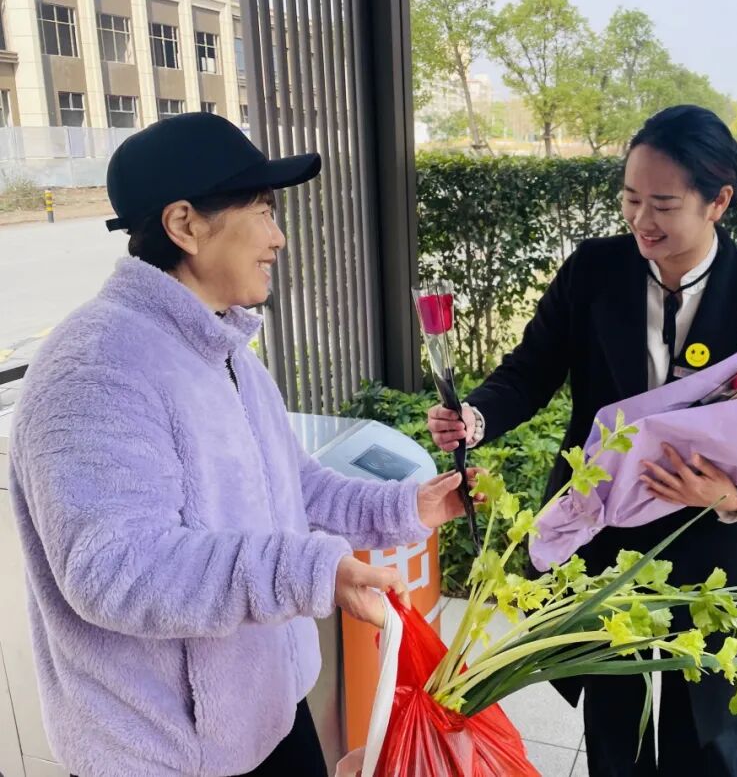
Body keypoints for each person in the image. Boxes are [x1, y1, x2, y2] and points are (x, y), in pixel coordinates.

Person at [9, 112, 475, 777]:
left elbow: (294, 486)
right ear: (184, 224)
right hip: (166, 755)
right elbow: (116, 569)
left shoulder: (222, 346)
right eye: (261, 210)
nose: (278, 237)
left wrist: (409, 507)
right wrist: (309, 571)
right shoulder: (95, 367)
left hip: (268, 716)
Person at [427, 105, 737, 776]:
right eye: (631, 198)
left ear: (718, 201)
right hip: (602, 537)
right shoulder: (594, 271)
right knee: (613, 732)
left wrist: (730, 498)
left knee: (706, 737)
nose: (641, 220)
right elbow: (531, 370)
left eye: (663, 204)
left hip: (715, 547)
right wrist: (477, 417)